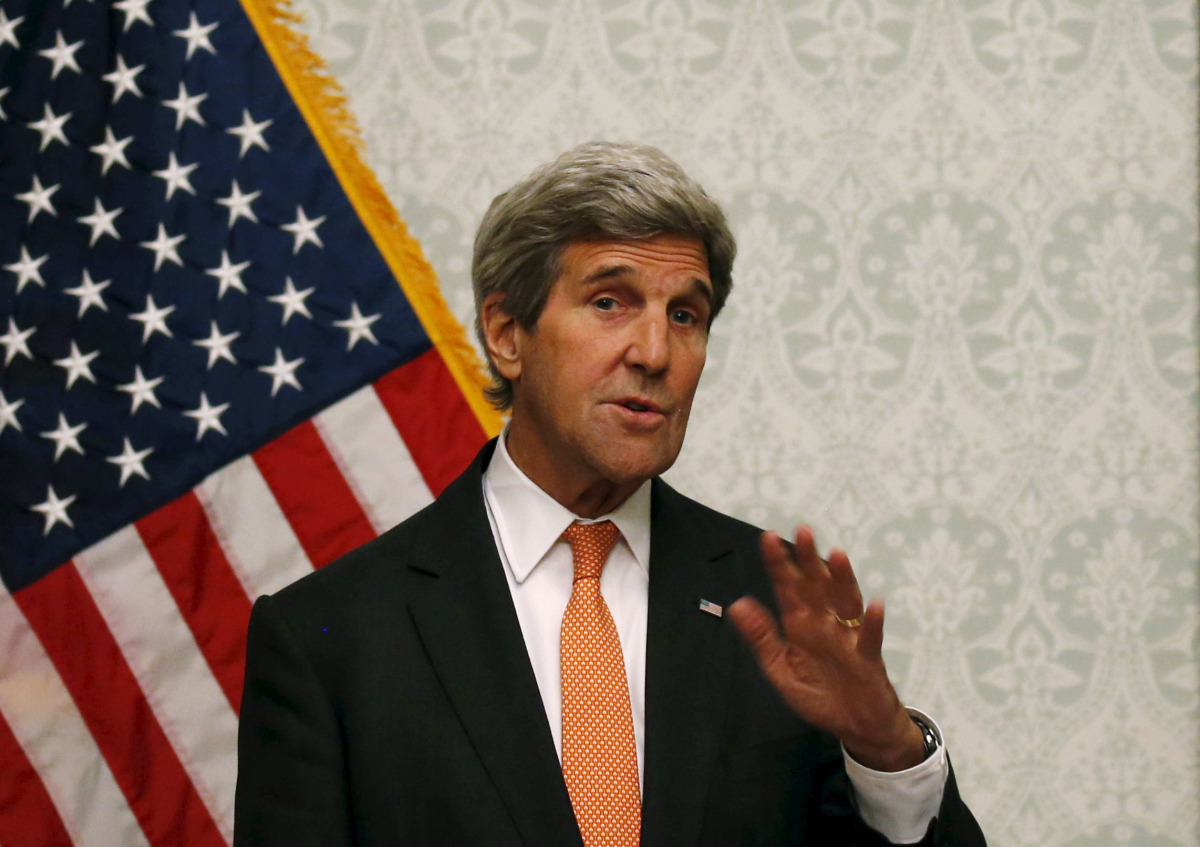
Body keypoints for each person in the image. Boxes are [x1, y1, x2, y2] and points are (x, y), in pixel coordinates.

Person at [234, 142, 986, 846]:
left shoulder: (779, 605)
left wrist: (887, 749)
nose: (654, 352)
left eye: (684, 316)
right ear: (506, 333)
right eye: (609, 302)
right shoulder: (330, 639)